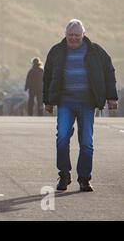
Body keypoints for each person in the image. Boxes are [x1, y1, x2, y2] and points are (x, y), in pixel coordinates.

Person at [43, 19, 118, 192]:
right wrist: (47, 100)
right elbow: (47, 77)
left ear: (84, 35)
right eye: (71, 35)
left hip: (87, 103)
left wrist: (111, 97)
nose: (74, 38)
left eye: (77, 35)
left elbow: (108, 72)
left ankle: (84, 178)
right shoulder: (56, 51)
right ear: (65, 35)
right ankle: (64, 174)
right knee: (62, 137)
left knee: (86, 142)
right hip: (65, 102)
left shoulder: (96, 51)